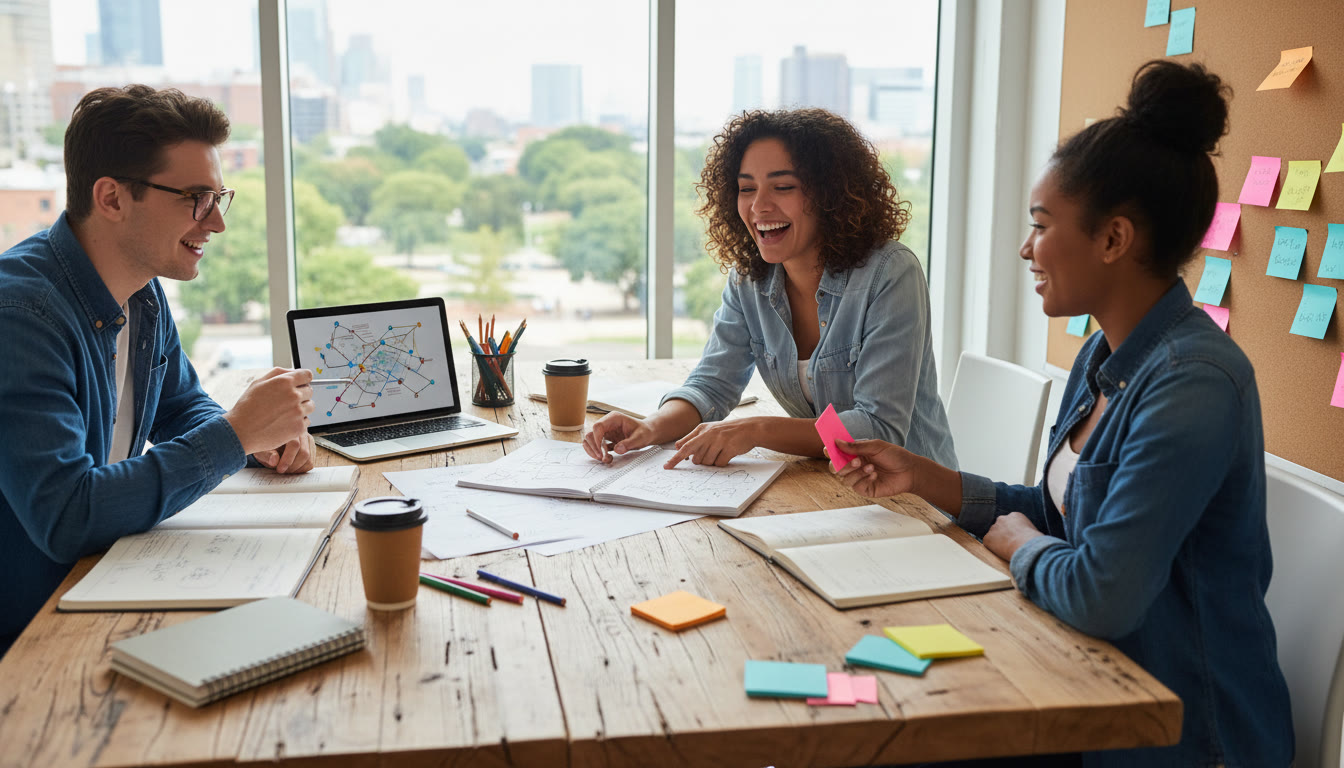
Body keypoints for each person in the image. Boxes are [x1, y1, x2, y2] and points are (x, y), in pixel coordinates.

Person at [834, 61, 1294, 767]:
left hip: (1177, 732)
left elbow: (1100, 594)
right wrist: (926, 477)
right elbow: (1059, 519)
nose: (1026, 248)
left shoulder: (1193, 384)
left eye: (1041, 226)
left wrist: (1018, 545)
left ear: (1113, 239)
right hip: (1081, 679)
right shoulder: (1103, 354)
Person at [0, 86, 319, 658]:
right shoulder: (19, 318)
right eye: (197, 197)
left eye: (220, 196)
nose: (217, 222)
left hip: (104, 585)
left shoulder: (142, 292)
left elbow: (180, 409)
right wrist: (236, 433)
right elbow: (68, 516)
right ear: (113, 198)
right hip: (32, 635)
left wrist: (259, 442)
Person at [583, 108, 956, 470]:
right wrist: (650, 427)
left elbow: (879, 430)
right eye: (746, 188)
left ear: (831, 195)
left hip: (914, 503)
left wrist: (757, 429)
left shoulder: (890, 274)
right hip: (830, 490)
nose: (759, 206)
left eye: (783, 187)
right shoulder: (750, 278)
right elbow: (712, 385)